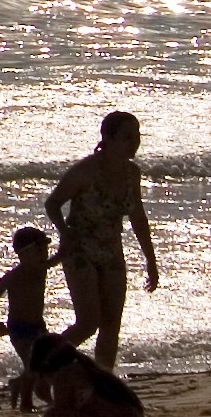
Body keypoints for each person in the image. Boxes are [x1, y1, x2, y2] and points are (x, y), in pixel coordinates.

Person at [44, 112, 159, 369]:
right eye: (126, 137)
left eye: (137, 136)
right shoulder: (85, 171)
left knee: (111, 325)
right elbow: (53, 203)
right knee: (88, 322)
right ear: (107, 138)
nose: (134, 143)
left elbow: (137, 216)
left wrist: (150, 260)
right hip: (80, 250)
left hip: (112, 249)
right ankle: (42, 365)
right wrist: (64, 230)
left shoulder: (132, 173)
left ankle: (104, 380)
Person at [0, 224, 58, 383]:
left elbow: (60, 256)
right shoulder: (13, 276)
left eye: (46, 250)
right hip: (18, 327)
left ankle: (20, 386)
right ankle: (22, 392)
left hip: (38, 325)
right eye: (39, 250)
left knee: (43, 365)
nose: (44, 254)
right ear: (23, 254)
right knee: (33, 366)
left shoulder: (41, 269)